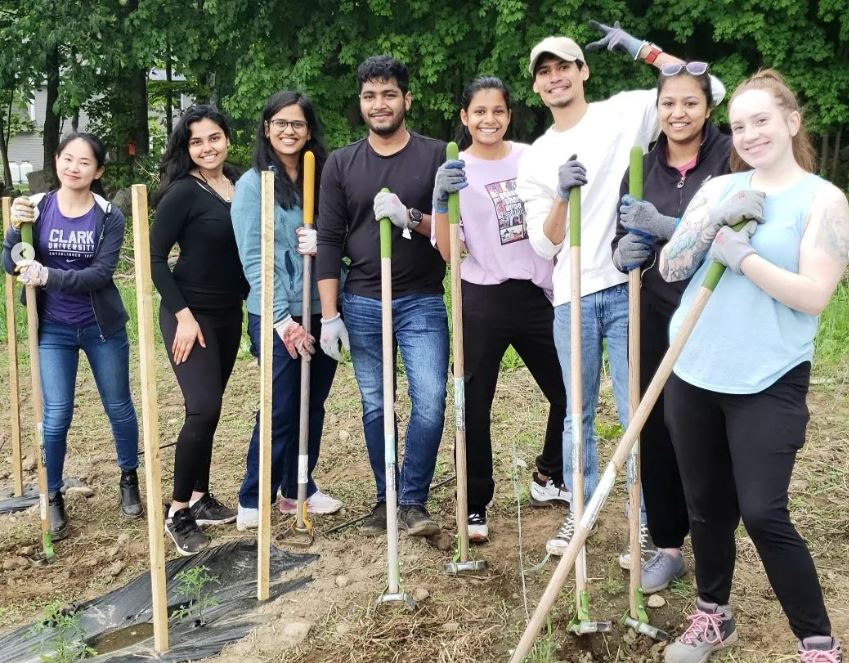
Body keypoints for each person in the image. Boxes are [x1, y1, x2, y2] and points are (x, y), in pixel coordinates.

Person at [515, 21, 725, 557]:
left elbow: (707, 89)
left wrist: (643, 50)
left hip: (634, 286)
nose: (555, 77)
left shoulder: (626, 111)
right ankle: (579, 514)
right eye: (545, 72)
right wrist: (561, 196)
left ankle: (648, 520)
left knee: (639, 411)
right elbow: (543, 243)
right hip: (573, 295)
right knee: (577, 413)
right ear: (536, 85)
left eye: (564, 66)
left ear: (583, 71)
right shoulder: (535, 156)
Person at [659, 70, 847, 663]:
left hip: (768, 377)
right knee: (706, 508)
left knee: (764, 511)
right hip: (693, 369)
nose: (749, 134)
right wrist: (713, 221)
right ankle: (713, 615)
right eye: (738, 126)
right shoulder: (719, 188)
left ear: (792, 121)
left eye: (761, 120)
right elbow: (671, 266)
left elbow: (814, 296)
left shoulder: (824, 199)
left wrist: (742, 258)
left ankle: (818, 642)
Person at [610, 62, 731, 590]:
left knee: (708, 431)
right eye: (668, 103)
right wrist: (622, 252)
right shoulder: (642, 166)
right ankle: (667, 545)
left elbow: (736, 231)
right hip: (654, 311)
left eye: (690, 102)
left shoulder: (731, 159)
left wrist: (666, 227)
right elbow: (620, 232)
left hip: (715, 313)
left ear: (709, 106)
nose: (678, 113)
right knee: (655, 426)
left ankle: (714, 544)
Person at [431, 76, 567, 543]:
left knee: (569, 388)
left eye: (498, 111)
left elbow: (555, 222)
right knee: (474, 404)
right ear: (465, 117)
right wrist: (440, 200)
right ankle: (474, 502)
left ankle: (549, 474)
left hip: (535, 293)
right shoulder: (456, 169)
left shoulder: (532, 158)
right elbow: (449, 252)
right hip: (482, 296)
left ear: (509, 115)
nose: (489, 120)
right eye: (479, 111)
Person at [316, 55, 447, 537]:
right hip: (363, 301)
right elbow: (329, 240)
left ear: (406, 99)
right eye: (370, 95)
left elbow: (453, 234)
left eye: (389, 94)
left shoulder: (437, 156)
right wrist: (329, 314)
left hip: (421, 300)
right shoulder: (341, 163)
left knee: (430, 399)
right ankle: (385, 497)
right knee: (376, 403)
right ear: (360, 102)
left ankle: (413, 500)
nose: (380, 104)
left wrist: (411, 217)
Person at [2, 133, 141, 540]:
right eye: (67, 158)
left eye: (84, 162)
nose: (73, 167)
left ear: (98, 171)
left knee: (118, 406)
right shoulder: (36, 207)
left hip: (102, 327)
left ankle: (129, 477)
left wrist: (49, 275)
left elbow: (100, 274)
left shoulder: (108, 215)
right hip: (53, 329)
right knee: (56, 414)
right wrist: (13, 232)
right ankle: (53, 493)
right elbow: (11, 263)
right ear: (56, 160)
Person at [232, 91, 342, 531]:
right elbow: (254, 259)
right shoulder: (253, 185)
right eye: (280, 123)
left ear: (309, 130)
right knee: (279, 406)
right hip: (275, 314)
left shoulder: (325, 178)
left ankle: (298, 488)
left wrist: (328, 244)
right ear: (267, 128)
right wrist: (281, 320)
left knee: (313, 403)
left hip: (322, 306)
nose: (289, 131)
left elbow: (346, 234)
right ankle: (254, 496)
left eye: (297, 123)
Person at [151, 106, 246, 556]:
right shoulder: (183, 193)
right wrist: (183, 316)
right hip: (189, 314)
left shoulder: (241, 183)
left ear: (227, 138)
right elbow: (155, 259)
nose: (207, 148)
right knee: (202, 408)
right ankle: (177, 512)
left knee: (213, 406)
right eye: (196, 142)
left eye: (214, 138)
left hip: (229, 313)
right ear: (185, 148)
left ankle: (200, 496)